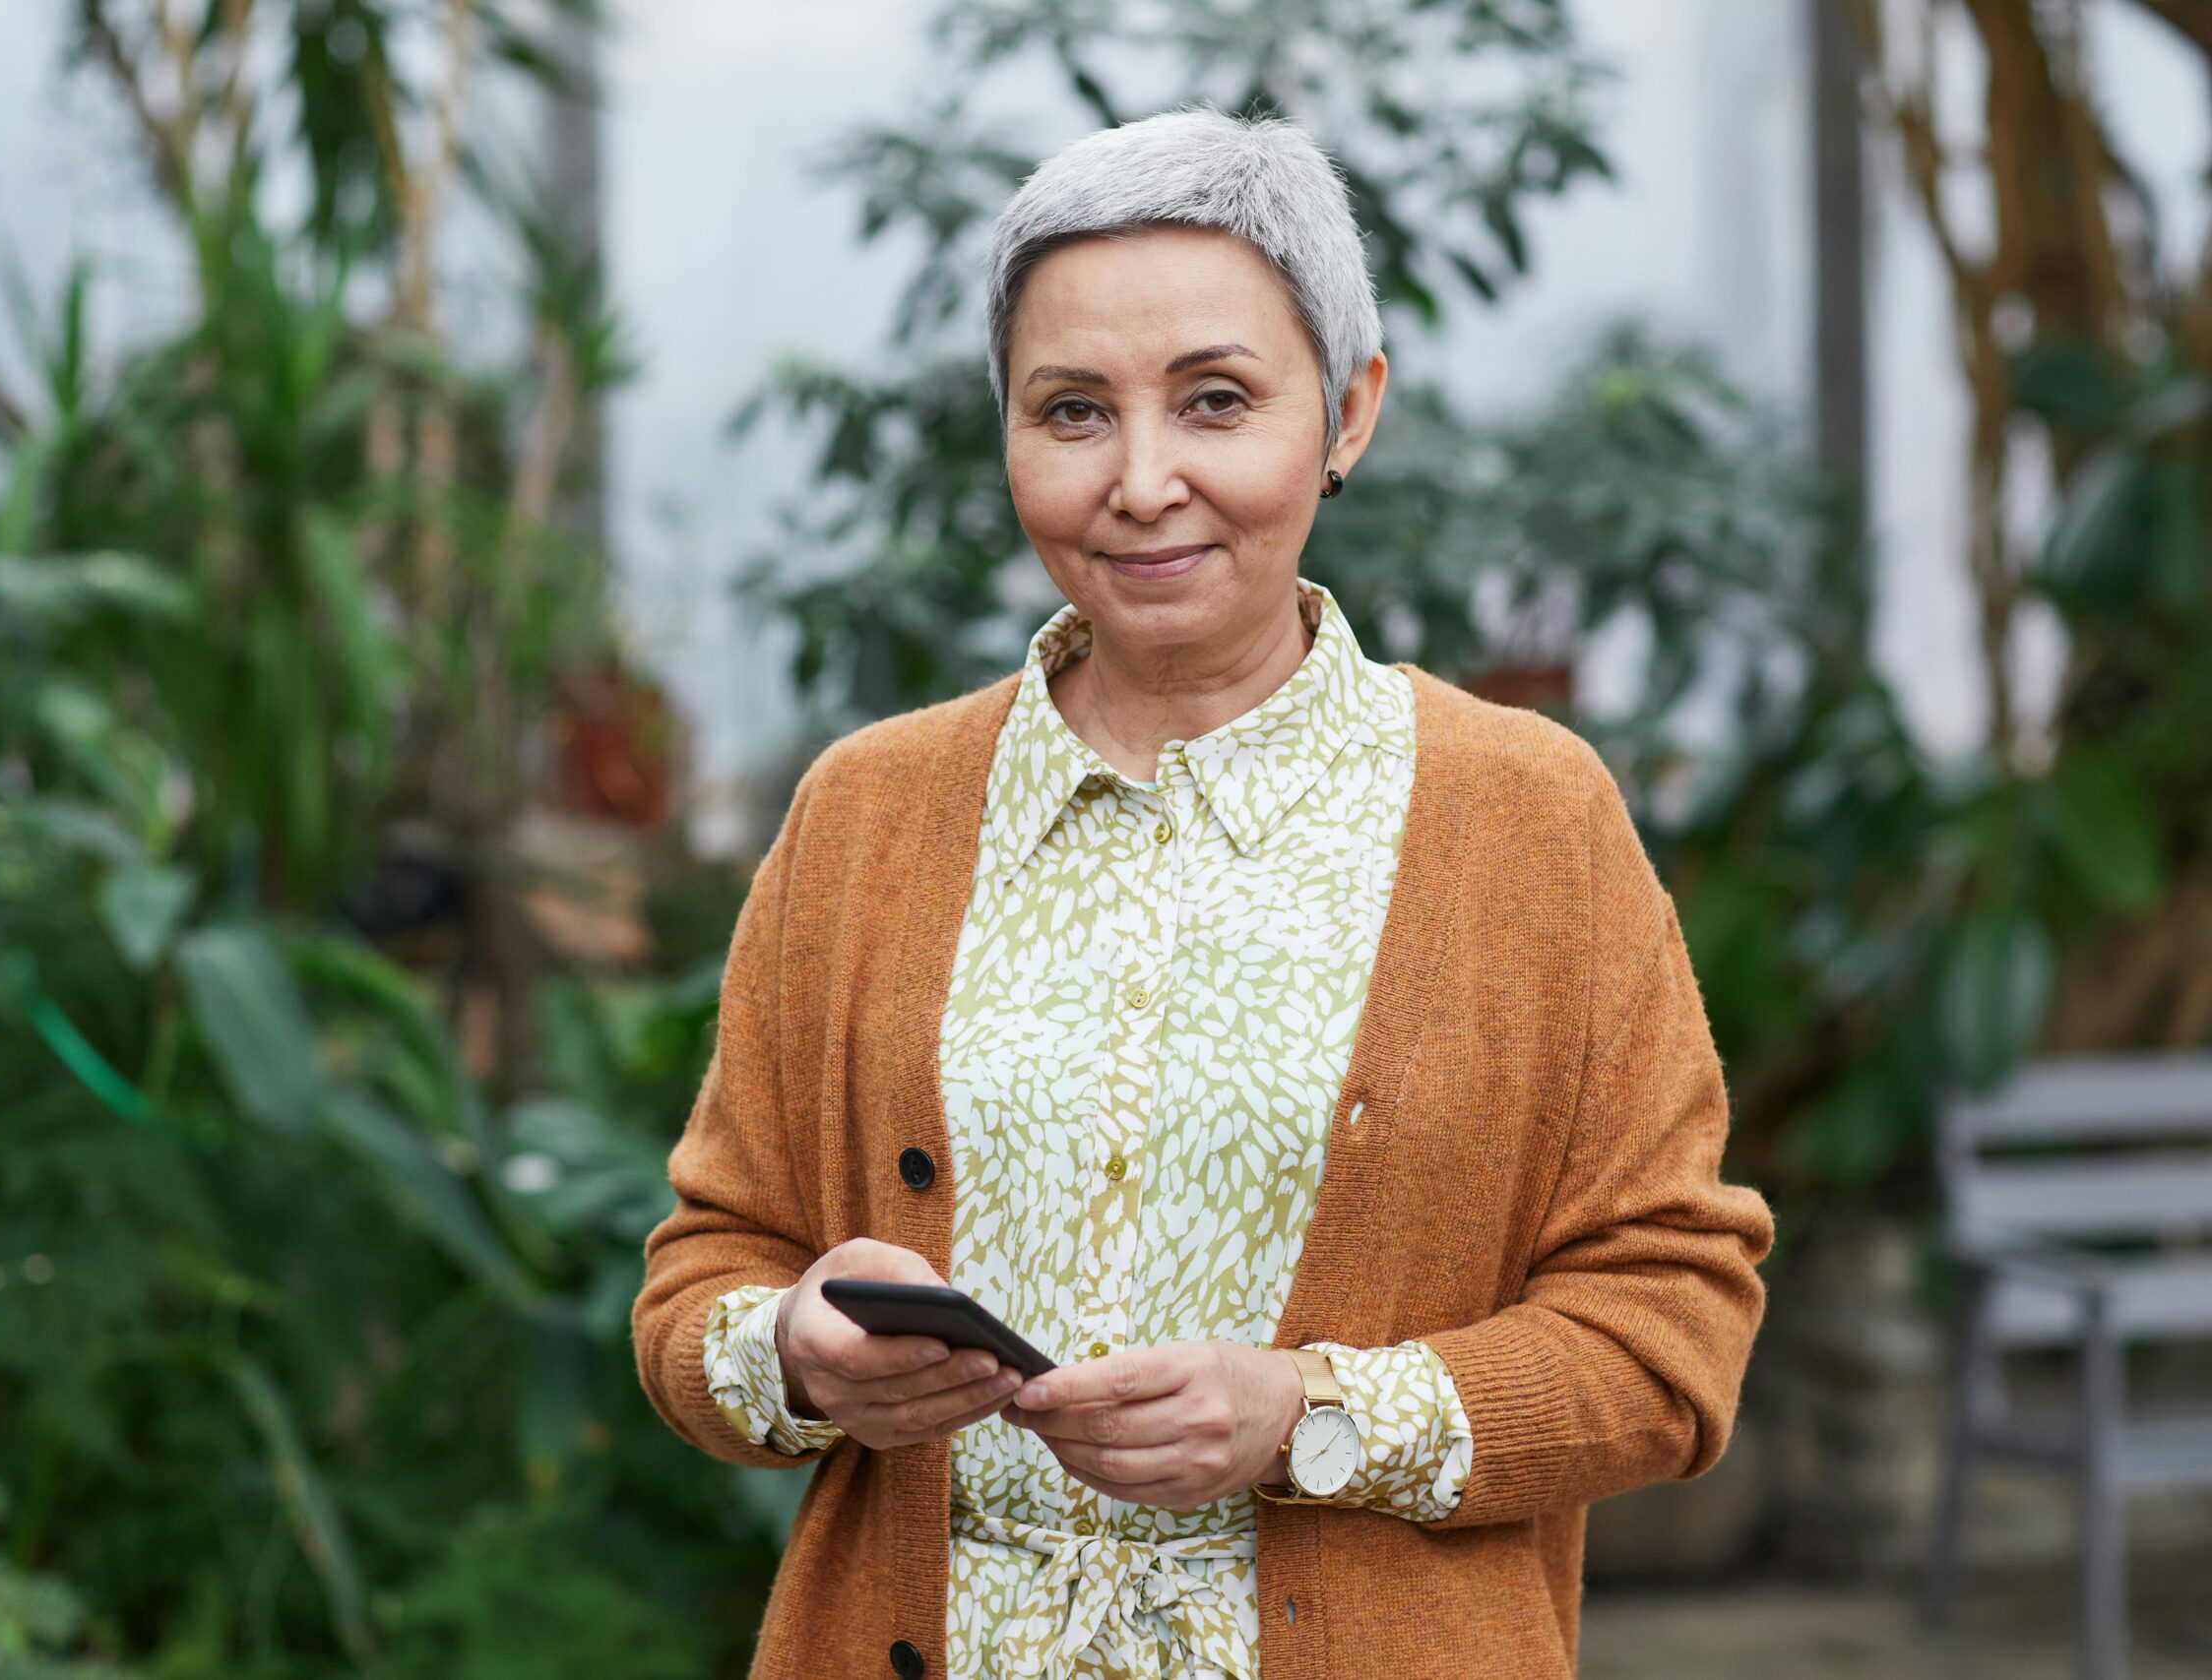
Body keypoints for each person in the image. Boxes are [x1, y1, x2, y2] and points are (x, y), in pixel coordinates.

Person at [632, 102, 1774, 1680]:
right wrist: (796, 1357)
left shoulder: (1527, 822)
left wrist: (1312, 1412)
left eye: (1218, 401)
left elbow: (1673, 1333)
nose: (1144, 481)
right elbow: (704, 1276)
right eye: (1074, 411)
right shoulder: (866, 815)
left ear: (1349, 413)